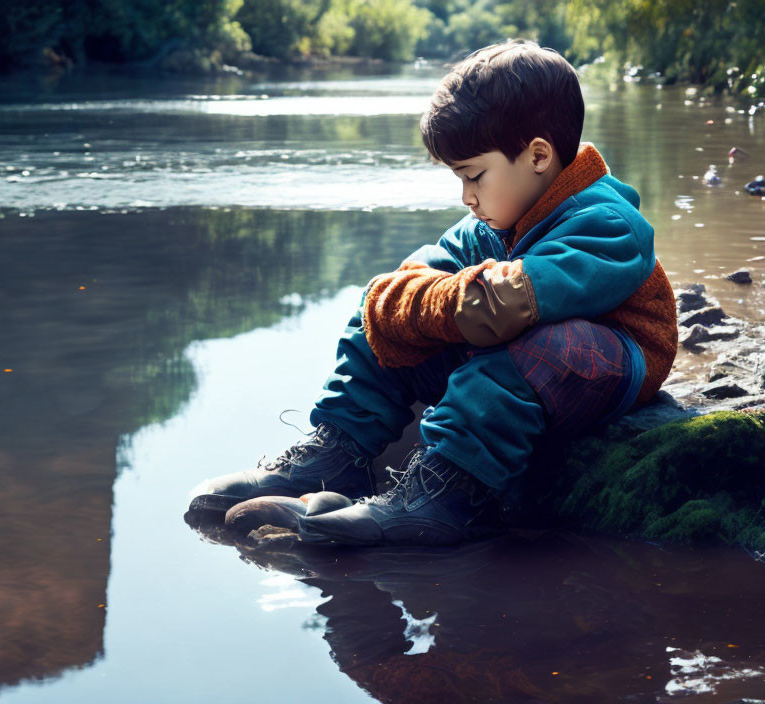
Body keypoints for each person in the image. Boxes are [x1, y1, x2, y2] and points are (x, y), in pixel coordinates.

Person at [188, 40, 678, 546]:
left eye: (474, 176)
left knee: (526, 351)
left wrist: (423, 304)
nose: (466, 196)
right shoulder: (491, 222)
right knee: (378, 323)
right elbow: (403, 285)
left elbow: (502, 308)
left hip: (611, 359)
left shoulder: (608, 225)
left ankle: (446, 493)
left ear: (537, 156)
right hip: (517, 341)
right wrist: (392, 309)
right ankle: (338, 454)